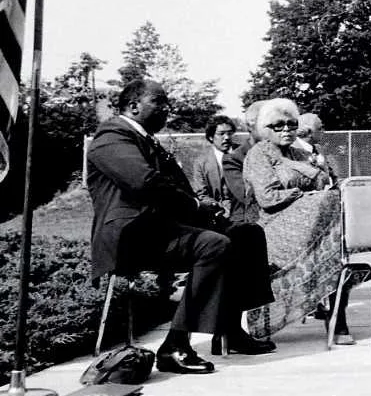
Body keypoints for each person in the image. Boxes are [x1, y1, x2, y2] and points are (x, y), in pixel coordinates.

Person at [86, 80, 275, 374]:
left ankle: (229, 330)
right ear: (134, 106)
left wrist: (210, 214)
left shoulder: (145, 138)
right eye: (159, 102)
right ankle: (175, 345)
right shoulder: (111, 137)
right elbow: (145, 184)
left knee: (246, 234)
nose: (167, 110)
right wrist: (197, 207)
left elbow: (174, 192)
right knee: (214, 245)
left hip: (161, 229)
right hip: (132, 236)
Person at [242, 99, 351, 343]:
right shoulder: (259, 154)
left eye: (291, 124)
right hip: (270, 227)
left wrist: (318, 172)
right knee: (335, 229)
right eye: (278, 125)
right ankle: (337, 322)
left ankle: (337, 318)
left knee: (339, 232)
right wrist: (302, 193)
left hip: (306, 225)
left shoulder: (300, 153)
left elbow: (324, 183)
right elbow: (268, 198)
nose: (286, 130)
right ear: (264, 129)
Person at [221, 101, 265, 224]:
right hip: (248, 222)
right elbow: (247, 196)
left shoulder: (289, 151)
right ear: (251, 126)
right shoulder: (234, 158)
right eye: (267, 124)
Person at [190, 115, 239, 220]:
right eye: (221, 134)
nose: (226, 137)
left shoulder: (244, 154)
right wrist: (220, 209)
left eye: (230, 133)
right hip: (219, 213)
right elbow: (201, 194)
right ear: (211, 137)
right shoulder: (201, 162)